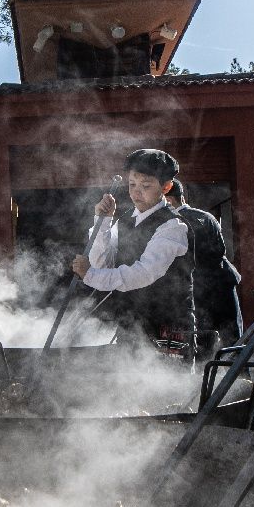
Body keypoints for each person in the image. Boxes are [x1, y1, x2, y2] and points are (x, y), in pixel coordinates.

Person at [70, 148, 193, 355]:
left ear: (166, 187)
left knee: (165, 386)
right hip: (130, 324)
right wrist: (103, 222)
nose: (137, 192)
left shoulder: (173, 226)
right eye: (132, 185)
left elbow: (142, 274)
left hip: (167, 329)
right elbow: (104, 263)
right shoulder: (128, 218)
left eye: (146, 186)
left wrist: (90, 275)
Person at [166, 179, 243, 356]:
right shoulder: (207, 217)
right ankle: (240, 375)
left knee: (201, 336)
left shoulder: (172, 223)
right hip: (223, 280)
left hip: (198, 286)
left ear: (169, 200)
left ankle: (204, 377)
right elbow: (220, 250)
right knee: (231, 332)